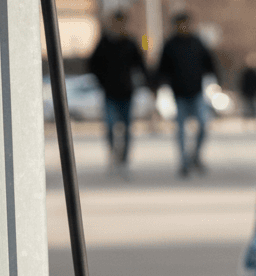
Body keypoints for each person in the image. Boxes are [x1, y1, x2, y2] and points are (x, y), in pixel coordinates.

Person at [156, 12, 218, 176]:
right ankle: (184, 163)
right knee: (181, 130)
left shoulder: (197, 42)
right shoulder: (170, 45)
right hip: (179, 94)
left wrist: (216, 80)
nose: (184, 27)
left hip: (197, 92)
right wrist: (159, 86)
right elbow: (162, 69)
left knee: (204, 125)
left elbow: (210, 63)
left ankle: (196, 157)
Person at [88, 10, 150, 171]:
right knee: (109, 127)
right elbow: (92, 65)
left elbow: (140, 65)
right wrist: (102, 82)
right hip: (109, 93)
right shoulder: (104, 43)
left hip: (127, 92)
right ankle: (112, 154)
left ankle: (124, 158)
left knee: (127, 127)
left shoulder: (131, 42)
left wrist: (150, 83)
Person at [238, 53, 256, 119]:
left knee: (254, 107)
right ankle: (248, 118)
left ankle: (254, 118)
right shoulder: (246, 73)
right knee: (247, 107)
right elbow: (242, 83)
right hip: (248, 92)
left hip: (253, 92)